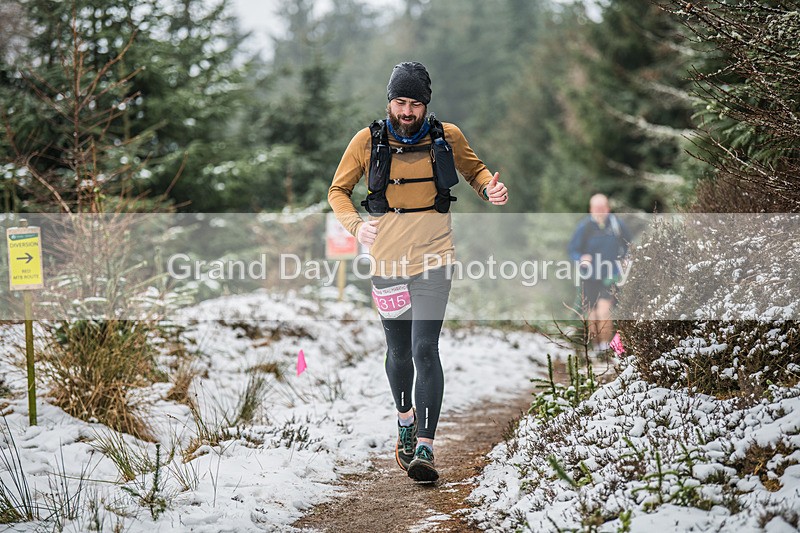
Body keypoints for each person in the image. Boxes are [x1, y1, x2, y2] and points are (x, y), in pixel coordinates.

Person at [328, 61, 508, 483]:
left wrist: (489, 188)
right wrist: (356, 225)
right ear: (389, 101)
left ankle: (424, 446)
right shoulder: (366, 141)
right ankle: (405, 420)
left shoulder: (448, 136)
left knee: (426, 347)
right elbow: (337, 190)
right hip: (387, 261)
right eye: (400, 102)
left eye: (415, 104)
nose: (407, 111)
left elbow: (475, 170)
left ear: (426, 104)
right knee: (400, 351)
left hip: (435, 258)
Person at [567, 193, 631, 352]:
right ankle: (596, 347)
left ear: (608, 208)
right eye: (596, 208)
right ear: (590, 209)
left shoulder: (617, 225)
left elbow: (629, 245)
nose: (599, 211)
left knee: (604, 309)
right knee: (591, 313)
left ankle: (605, 346)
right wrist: (581, 258)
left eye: (602, 208)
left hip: (610, 275)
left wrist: (625, 260)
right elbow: (573, 250)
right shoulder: (585, 227)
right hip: (588, 276)